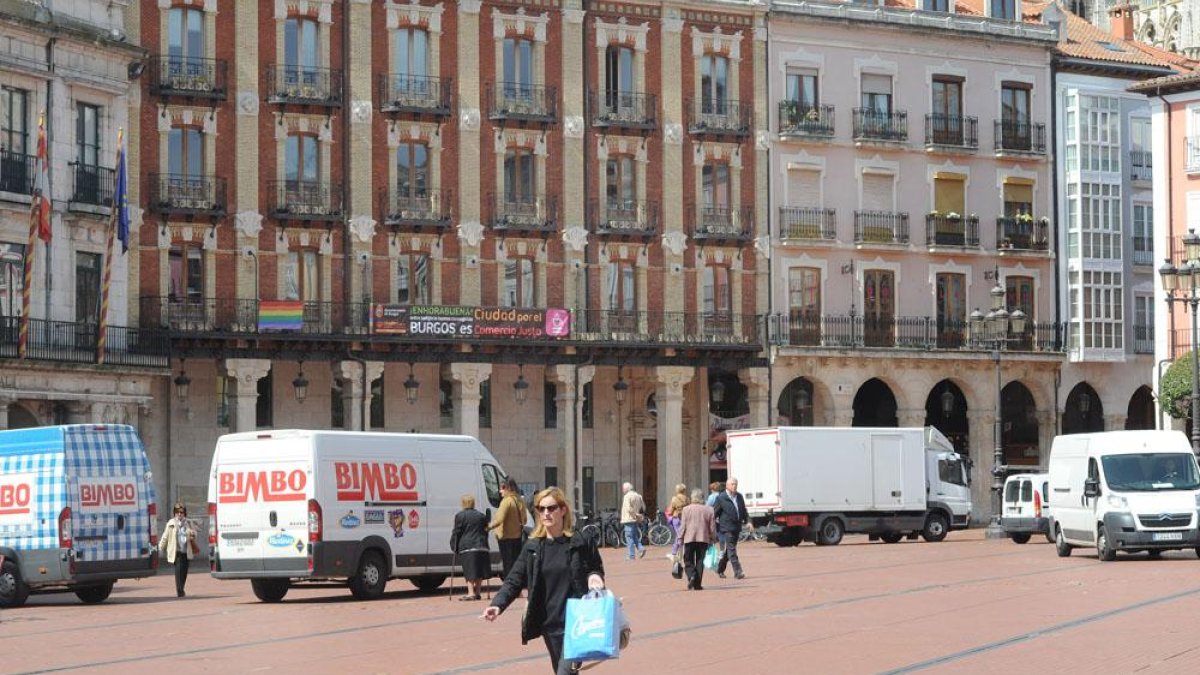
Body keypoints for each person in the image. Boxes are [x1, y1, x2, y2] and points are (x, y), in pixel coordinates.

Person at [483, 487, 606, 675]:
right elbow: (514, 579)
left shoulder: (580, 541)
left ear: (563, 510)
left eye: (551, 508)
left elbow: (595, 567)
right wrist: (497, 604)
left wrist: (595, 577)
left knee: (564, 672)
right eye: (541, 509)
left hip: (577, 622)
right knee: (562, 670)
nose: (545, 513)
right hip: (549, 623)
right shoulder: (533, 547)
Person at [451, 494, 491, 601]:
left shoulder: (460, 516)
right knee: (479, 570)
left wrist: (453, 545)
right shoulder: (481, 516)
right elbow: (486, 531)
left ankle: (470, 592)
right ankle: (477, 592)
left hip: (468, 546)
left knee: (469, 570)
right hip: (482, 546)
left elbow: (457, 532)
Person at [676, 488, 716, 590]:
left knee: (688, 559)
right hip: (703, 538)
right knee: (700, 560)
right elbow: (712, 527)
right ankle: (697, 584)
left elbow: (683, 525)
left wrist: (679, 538)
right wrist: (713, 538)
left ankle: (691, 575)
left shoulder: (686, 509)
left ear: (692, 497)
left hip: (689, 538)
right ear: (702, 498)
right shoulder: (709, 509)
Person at [488, 478, 528, 580]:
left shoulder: (506, 502)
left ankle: (509, 586)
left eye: (502, 488)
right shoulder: (520, 500)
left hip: (506, 537)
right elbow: (525, 520)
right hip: (517, 536)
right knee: (515, 564)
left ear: (508, 488)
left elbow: (499, 519)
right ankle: (517, 587)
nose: (500, 491)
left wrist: (487, 527)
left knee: (507, 565)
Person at [712, 478, 751, 580]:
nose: (735, 486)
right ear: (727, 486)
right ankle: (738, 572)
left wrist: (748, 521)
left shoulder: (739, 496)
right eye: (733, 484)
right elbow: (714, 513)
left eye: (736, 484)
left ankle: (720, 569)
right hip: (726, 528)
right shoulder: (721, 498)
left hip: (737, 527)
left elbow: (744, 510)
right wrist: (712, 528)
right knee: (732, 550)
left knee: (729, 551)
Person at [159, 502, 198, 598]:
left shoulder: (189, 523)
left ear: (185, 513)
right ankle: (179, 590)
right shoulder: (171, 523)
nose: (179, 514)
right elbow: (165, 537)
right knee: (178, 571)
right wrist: (159, 548)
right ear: (174, 513)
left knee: (184, 572)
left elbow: (195, 534)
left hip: (186, 551)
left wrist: (192, 534)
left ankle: (181, 588)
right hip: (176, 552)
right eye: (177, 512)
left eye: (181, 512)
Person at [619, 482, 646, 560]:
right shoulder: (638, 495)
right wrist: (638, 514)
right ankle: (641, 548)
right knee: (634, 536)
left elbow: (628, 508)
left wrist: (635, 514)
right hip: (635, 519)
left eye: (623, 488)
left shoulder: (627, 496)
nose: (623, 490)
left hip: (628, 519)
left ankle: (631, 555)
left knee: (629, 537)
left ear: (627, 489)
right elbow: (643, 507)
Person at [666, 483, 688, 561]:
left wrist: (669, 513)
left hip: (676, 519)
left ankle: (678, 553)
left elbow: (671, 510)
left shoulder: (674, 499)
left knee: (679, 536)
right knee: (680, 535)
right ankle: (674, 552)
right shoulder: (687, 498)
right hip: (684, 519)